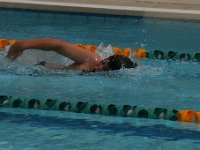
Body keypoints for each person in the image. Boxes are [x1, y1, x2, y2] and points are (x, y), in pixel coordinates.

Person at [7, 38, 137, 72]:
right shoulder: (91, 59)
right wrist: (24, 45)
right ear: (105, 58)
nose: (98, 67)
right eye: (103, 63)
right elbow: (58, 46)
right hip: (38, 68)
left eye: (105, 69)